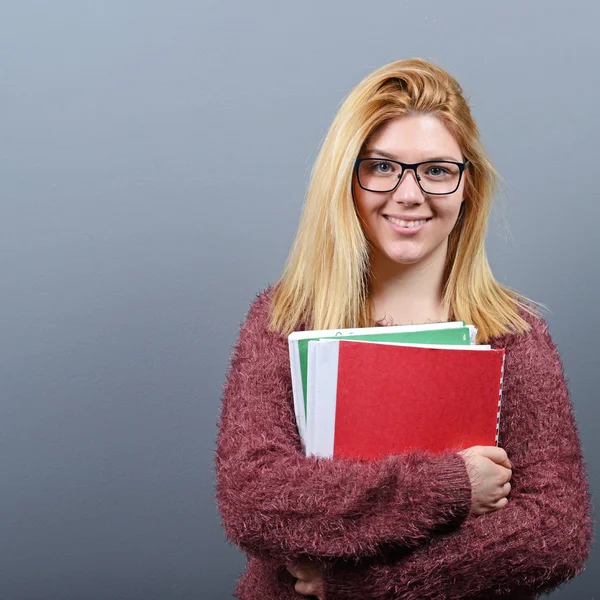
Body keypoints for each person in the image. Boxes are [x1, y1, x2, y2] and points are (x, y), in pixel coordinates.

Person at [215, 58, 592, 599]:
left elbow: (553, 534)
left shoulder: (515, 334)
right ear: (347, 179)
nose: (409, 194)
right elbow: (256, 500)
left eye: (437, 170)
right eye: (382, 167)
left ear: (468, 188)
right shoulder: (284, 316)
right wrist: (454, 487)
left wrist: (366, 584)